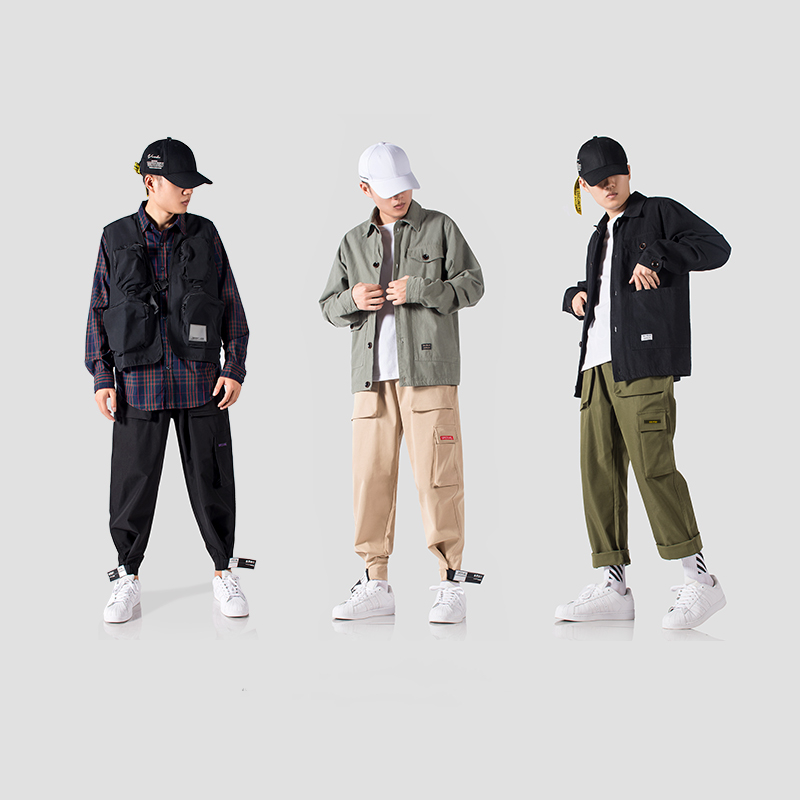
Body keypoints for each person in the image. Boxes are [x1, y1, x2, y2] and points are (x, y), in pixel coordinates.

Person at [557, 136, 730, 630]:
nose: (607, 186)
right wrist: (576, 295)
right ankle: (613, 586)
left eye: (613, 175)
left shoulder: (657, 212)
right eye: (596, 181)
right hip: (595, 368)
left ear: (628, 170)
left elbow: (717, 248)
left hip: (643, 364)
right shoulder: (599, 234)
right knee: (598, 473)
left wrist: (658, 255)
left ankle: (700, 580)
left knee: (654, 468)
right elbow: (609, 293)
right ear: (584, 186)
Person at [86, 137, 254, 624]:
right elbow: (99, 310)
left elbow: (231, 305)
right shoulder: (115, 237)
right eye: (180, 183)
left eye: (192, 184)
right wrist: (102, 375)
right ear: (150, 182)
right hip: (138, 384)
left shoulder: (205, 234)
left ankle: (224, 570)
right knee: (131, 486)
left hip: (201, 382)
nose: (188, 192)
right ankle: (126, 575)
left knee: (213, 481)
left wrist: (234, 367)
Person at [320, 142, 485, 624]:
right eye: (389, 189)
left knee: (439, 479)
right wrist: (352, 299)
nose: (399, 196)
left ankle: (451, 583)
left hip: (429, 376)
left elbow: (473, 284)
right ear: (365, 189)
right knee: (369, 481)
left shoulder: (440, 226)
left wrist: (423, 290)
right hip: (370, 380)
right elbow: (328, 306)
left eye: (405, 186)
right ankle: (375, 582)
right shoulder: (352, 241)